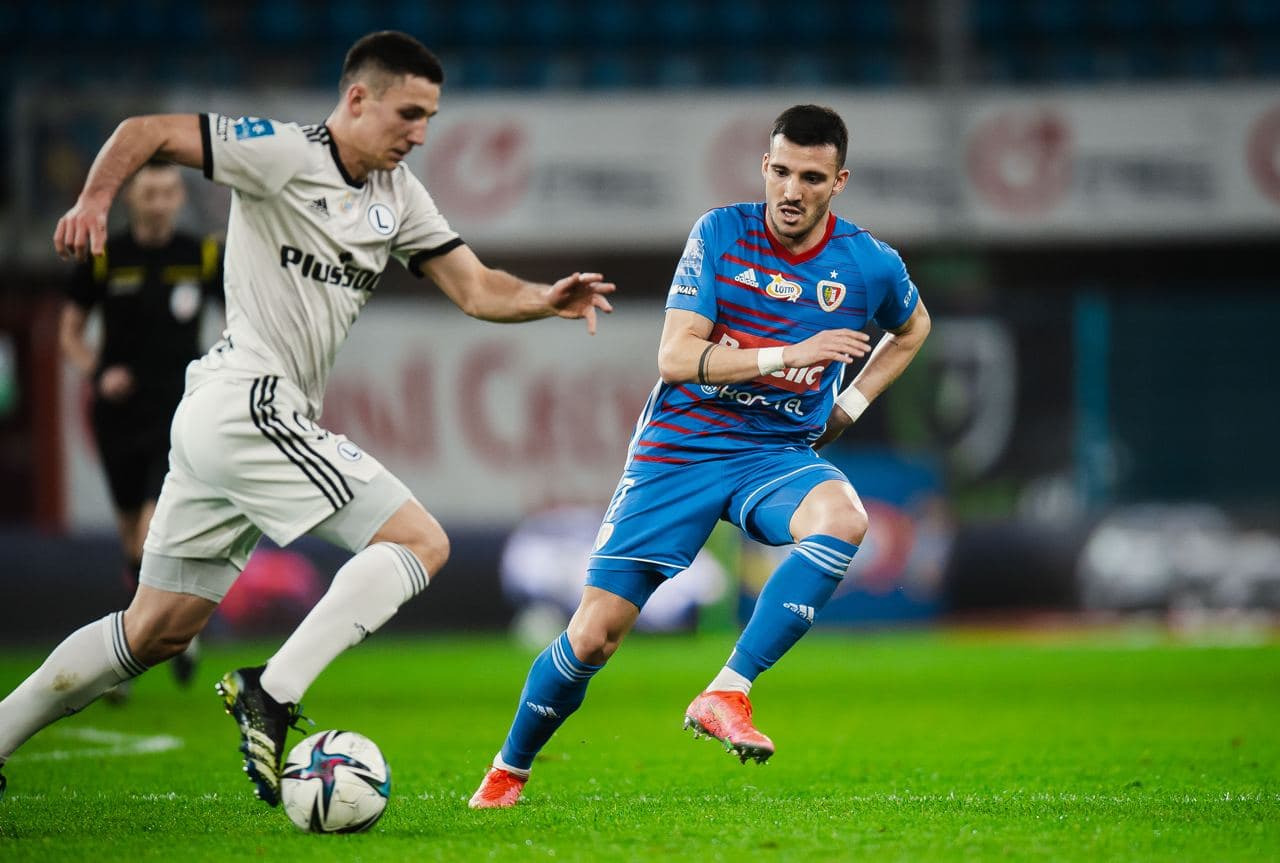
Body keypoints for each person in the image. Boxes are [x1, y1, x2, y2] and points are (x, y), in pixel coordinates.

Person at [0, 31, 613, 806]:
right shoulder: (281, 153)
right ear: (357, 98)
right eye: (409, 113)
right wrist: (94, 200)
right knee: (420, 542)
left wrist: (543, 299)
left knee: (155, 629)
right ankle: (273, 689)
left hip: (222, 417)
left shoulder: (398, 195)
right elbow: (145, 132)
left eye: (430, 117)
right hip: (249, 400)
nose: (421, 133)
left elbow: (476, 286)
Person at [468, 104, 931, 809]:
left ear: (839, 182)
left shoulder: (869, 263)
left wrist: (850, 406)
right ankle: (507, 772)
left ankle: (727, 691)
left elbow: (913, 326)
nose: (791, 191)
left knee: (843, 516)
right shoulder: (720, 234)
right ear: (764, 167)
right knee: (594, 637)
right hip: (681, 449)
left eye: (811, 178)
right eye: (781, 171)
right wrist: (788, 355)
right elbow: (676, 357)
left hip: (774, 451)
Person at [60, 159, 220, 693]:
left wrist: (222, 366)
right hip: (119, 414)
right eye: (149, 194)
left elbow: (242, 317)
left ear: (179, 198)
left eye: (168, 192)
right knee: (132, 534)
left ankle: (152, 641)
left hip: (178, 412)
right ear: (132, 199)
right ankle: (144, 638)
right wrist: (97, 372)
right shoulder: (106, 256)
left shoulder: (201, 255)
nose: (159, 203)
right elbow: (70, 333)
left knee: (153, 525)